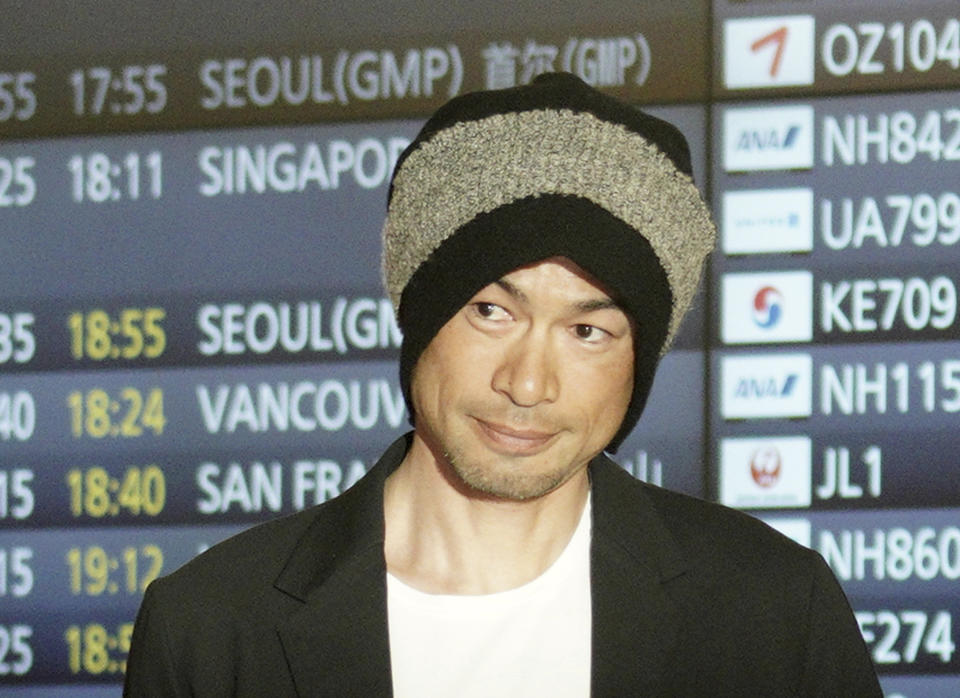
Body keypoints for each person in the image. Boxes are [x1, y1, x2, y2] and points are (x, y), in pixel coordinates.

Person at [124, 72, 882, 696]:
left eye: (588, 332)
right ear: (417, 315)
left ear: (638, 362)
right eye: (491, 311)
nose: (527, 383)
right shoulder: (211, 628)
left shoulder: (772, 610)